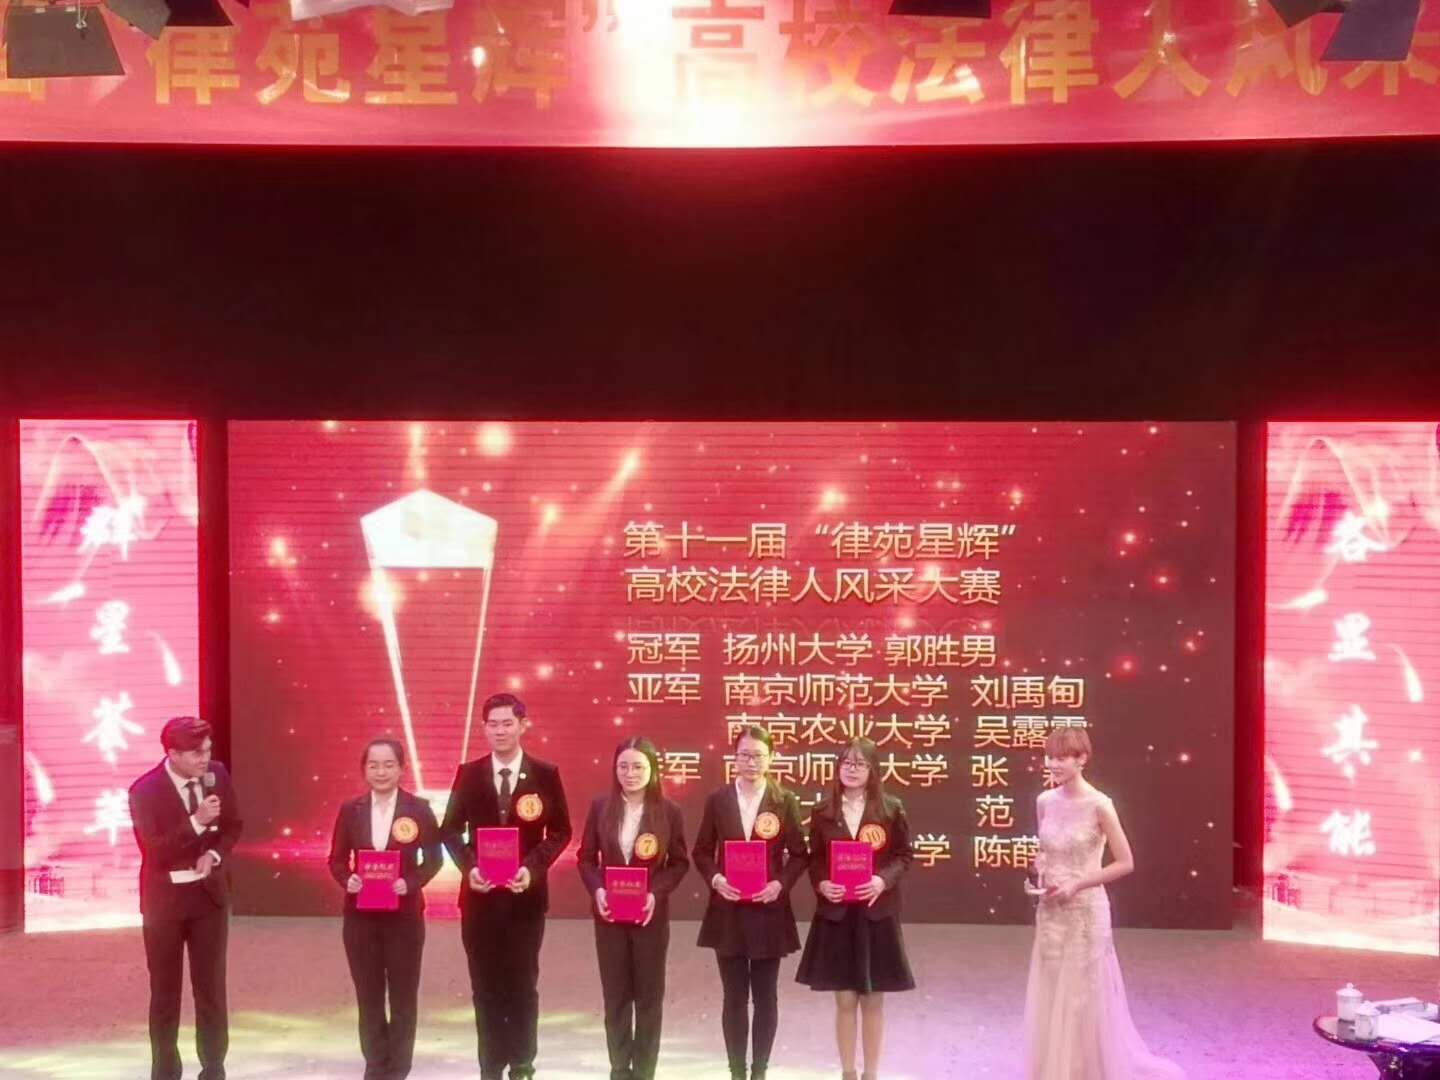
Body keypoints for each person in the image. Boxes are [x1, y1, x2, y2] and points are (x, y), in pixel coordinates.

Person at [1023, 728, 1186, 1080]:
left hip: (1085, 912)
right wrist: (1038, 874)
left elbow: (1125, 862)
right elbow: (1045, 851)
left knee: (1082, 995)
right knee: (1053, 987)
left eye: (1062, 758)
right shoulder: (1044, 801)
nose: (1053, 764)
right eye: (1050, 757)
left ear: (1082, 759)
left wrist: (1077, 883)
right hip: (1051, 911)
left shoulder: (1100, 805)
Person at [441, 692, 573, 1080]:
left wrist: (533, 868)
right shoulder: (469, 773)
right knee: (484, 986)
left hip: (525, 901)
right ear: (484, 728)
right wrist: (470, 868)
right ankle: (491, 1065)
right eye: (493, 724)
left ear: (523, 725)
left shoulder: (545, 773)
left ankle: (522, 1064)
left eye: (507, 723)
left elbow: (561, 831)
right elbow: (450, 829)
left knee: (522, 984)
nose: (500, 731)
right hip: (479, 900)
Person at [128, 715, 243, 1080]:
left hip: (209, 899)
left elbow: (233, 826)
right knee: (165, 992)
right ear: (172, 754)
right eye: (196, 753)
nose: (205, 759)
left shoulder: (217, 775)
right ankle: (165, 1070)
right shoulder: (144, 791)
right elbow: (155, 851)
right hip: (165, 904)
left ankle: (214, 1066)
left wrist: (215, 855)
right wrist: (196, 821)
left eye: (208, 750)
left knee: (211, 988)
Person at [691, 725, 808, 1080]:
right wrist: (716, 879)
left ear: (771, 759)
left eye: (758, 755)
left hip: (768, 910)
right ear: (734, 757)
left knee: (766, 996)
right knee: (734, 996)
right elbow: (701, 851)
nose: (751, 762)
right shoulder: (718, 800)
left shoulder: (784, 800)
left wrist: (779, 884)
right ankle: (736, 1072)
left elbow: (800, 854)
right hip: (728, 910)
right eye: (745, 755)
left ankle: (759, 1071)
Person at [796, 737, 915, 1080]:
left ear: (873, 770)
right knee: (845, 1000)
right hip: (837, 915)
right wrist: (822, 884)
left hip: (876, 914)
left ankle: (871, 1074)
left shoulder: (891, 809)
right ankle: (848, 1072)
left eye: (860, 763)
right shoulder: (822, 812)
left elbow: (904, 855)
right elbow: (815, 859)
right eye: (847, 762)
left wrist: (882, 880)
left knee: (873, 999)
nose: (852, 769)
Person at [327, 737, 443, 1080]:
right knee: (369, 995)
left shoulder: (418, 808)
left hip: (404, 919)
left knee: (403, 995)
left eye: (388, 765)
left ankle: (398, 1069)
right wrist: (347, 878)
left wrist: (410, 882)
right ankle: (375, 1066)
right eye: (374, 765)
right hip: (360, 918)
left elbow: (433, 860)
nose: (381, 772)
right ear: (364, 769)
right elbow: (336, 859)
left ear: (402, 768)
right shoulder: (351, 809)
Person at [576, 736, 690, 1080]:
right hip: (609, 916)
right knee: (616, 997)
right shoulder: (601, 807)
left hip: (649, 918)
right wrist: (597, 889)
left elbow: (679, 863)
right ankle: (619, 1069)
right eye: (623, 766)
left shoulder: (669, 811)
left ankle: (644, 1072)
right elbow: (586, 858)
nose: (630, 773)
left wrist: (655, 892)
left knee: (649, 999)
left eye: (638, 766)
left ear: (653, 770)